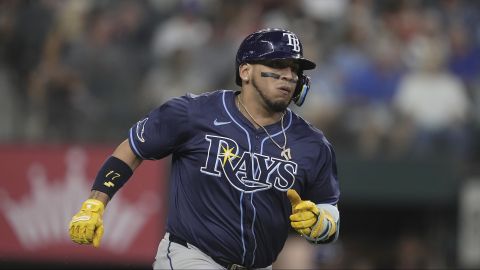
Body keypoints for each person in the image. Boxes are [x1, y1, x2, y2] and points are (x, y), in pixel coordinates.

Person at [69, 28, 340, 270]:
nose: (288, 76)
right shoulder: (194, 113)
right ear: (245, 71)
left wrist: (322, 224)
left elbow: (328, 205)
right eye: (277, 65)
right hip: (193, 256)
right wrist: (95, 202)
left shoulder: (312, 143)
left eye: (294, 69)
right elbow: (133, 149)